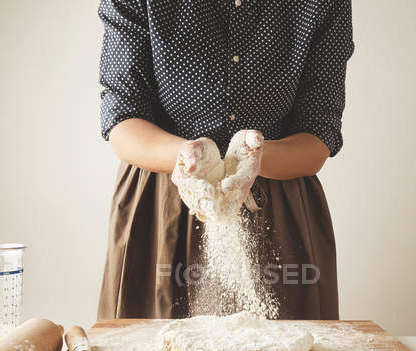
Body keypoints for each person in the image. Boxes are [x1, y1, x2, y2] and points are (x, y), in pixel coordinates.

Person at [96, 0, 355, 320]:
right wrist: (187, 157)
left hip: (277, 208)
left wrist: (253, 159)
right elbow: (122, 120)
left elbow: (319, 132)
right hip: (162, 206)